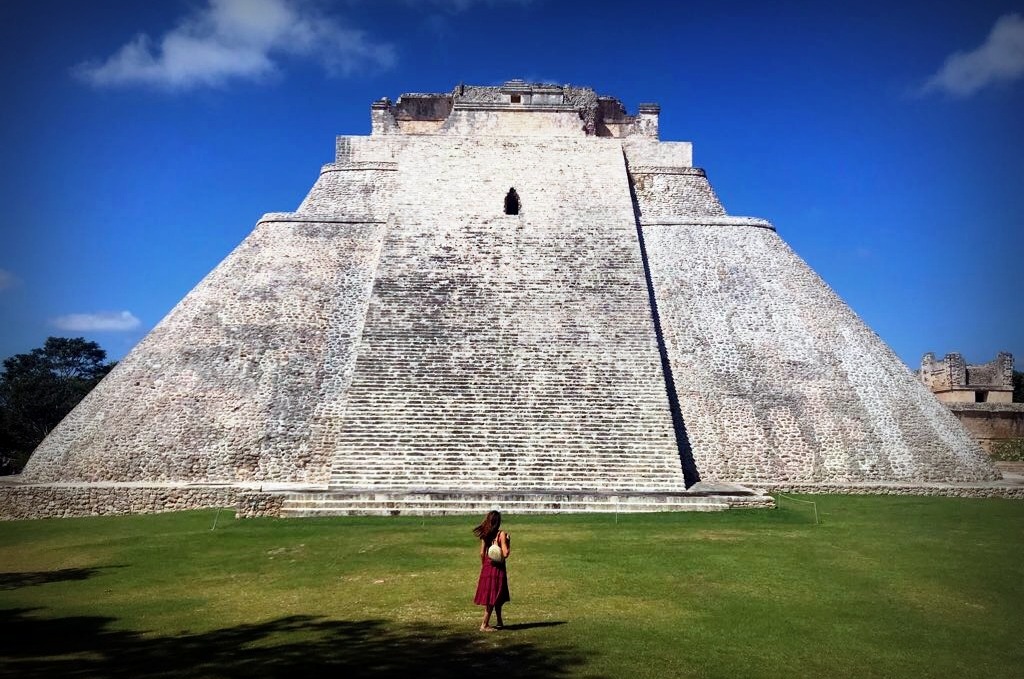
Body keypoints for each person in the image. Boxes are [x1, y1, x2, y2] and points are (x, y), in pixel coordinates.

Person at [472, 509, 510, 631]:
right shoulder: (501, 535)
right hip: (498, 568)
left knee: (496, 595)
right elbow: (505, 553)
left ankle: (499, 621)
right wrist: (508, 542)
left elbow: (482, 553)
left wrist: (484, 566)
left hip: (487, 566)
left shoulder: (485, 534)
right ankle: (484, 624)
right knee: (495, 595)